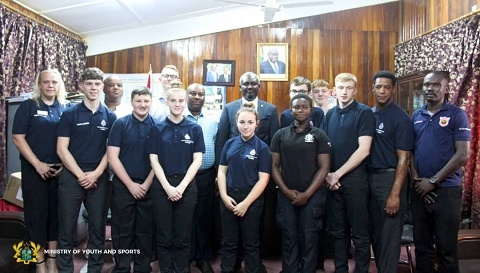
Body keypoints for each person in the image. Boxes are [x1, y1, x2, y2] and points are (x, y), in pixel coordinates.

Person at [215, 71, 280, 266]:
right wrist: (221, 186)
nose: (249, 87)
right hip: (232, 179)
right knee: (230, 239)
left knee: (254, 234)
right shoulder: (229, 108)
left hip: (258, 179)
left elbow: (274, 142)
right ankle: (232, 265)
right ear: (240, 86)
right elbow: (221, 142)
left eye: (253, 84)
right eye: (245, 84)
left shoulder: (270, 109)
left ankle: (254, 265)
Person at [56, 67, 116, 273]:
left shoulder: (110, 116)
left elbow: (111, 151)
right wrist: (81, 175)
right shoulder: (69, 114)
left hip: (98, 178)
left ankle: (95, 268)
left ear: (102, 87)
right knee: (66, 228)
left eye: (97, 84)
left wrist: (97, 173)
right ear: (82, 86)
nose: (93, 88)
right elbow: (62, 149)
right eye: (89, 83)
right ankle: (65, 269)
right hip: (72, 177)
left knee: (98, 228)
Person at [410, 71, 471, 273]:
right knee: (422, 248)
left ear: (446, 88)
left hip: (447, 191)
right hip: (420, 191)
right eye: (427, 85)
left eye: (436, 85)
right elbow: (410, 152)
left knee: (446, 250)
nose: (430, 88)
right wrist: (418, 181)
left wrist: (433, 181)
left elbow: (462, 155)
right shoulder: (416, 116)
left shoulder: (457, 115)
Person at [12, 68, 70, 273]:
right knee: (36, 216)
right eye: (46, 82)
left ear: (59, 85)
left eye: (54, 82)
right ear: (39, 84)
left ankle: (53, 260)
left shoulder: (66, 108)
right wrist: (37, 164)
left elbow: (71, 141)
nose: (50, 86)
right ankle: (39, 262)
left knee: (56, 215)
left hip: (60, 171)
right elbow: (18, 138)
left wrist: (65, 165)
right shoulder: (28, 107)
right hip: (34, 170)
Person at [271, 94, 331, 273]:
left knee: (309, 238)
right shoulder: (280, 135)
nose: (301, 110)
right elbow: (274, 166)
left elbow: (324, 168)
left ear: (311, 111)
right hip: (286, 195)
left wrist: (306, 194)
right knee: (289, 238)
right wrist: (287, 191)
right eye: (297, 107)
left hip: (312, 197)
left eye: (305, 107)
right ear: (291, 110)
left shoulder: (319, 135)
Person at [147, 87, 205, 273]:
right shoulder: (157, 128)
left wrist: (180, 187)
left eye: (181, 101)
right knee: (164, 235)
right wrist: (167, 187)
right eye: (174, 101)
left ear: (185, 102)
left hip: (186, 187)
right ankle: (166, 269)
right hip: (161, 187)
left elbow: (197, 161)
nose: (177, 104)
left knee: (182, 235)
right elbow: (153, 159)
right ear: (168, 102)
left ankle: (181, 269)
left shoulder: (194, 128)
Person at [324, 72, 375, 273]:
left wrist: (338, 174)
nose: (344, 92)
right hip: (332, 182)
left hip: (355, 181)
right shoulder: (330, 114)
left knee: (360, 233)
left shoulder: (364, 113)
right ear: (335, 90)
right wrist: (329, 174)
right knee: (337, 232)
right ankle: (340, 269)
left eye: (348, 88)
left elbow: (364, 150)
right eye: (340, 88)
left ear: (354, 90)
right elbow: (326, 147)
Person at [217, 102, 272, 273]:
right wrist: (224, 197)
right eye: (242, 122)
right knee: (229, 242)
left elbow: (263, 180)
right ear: (236, 123)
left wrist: (246, 204)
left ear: (257, 123)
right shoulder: (229, 144)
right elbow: (221, 172)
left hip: (251, 200)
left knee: (250, 243)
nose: (245, 126)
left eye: (250, 122)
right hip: (229, 198)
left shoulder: (262, 148)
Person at [368, 71, 414, 273]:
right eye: (379, 87)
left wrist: (395, 194)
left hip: (390, 179)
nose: (382, 91)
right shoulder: (368, 114)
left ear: (393, 89)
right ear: (373, 88)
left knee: (389, 237)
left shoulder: (400, 118)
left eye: (387, 87)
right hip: (369, 178)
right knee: (376, 234)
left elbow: (404, 159)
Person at [107, 87, 156, 273]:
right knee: (122, 230)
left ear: (150, 102)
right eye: (138, 101)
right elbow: (112, 157)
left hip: (149, 186)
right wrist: (130, 185)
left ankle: (143, 267)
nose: (142, 105)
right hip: (123, 186)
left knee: (145, 231)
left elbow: (159, 161)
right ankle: (122, 267)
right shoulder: (120, 124)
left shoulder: (158, 126)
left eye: (146, 101)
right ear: (132, 102)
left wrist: (145, 185)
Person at [184, 83, 218, 273]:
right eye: (193, 93)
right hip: (184, 178)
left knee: (204, 218)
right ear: (186, 96)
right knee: (186, 217)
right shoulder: (178, 120)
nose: (197, 97)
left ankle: (203, 258)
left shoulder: (212, 122)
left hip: (206, 176)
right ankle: (187, 257)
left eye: (201, 94)